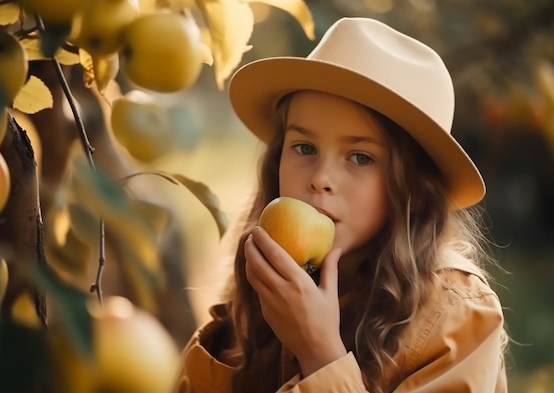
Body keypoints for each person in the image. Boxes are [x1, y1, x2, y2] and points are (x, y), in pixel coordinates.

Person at [174, 17, 509, 393]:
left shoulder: (457, 318)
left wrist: (319, 352)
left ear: (412, 188)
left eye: (360, 157)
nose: (321, 177)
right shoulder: (262, 294)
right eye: (304, 147)